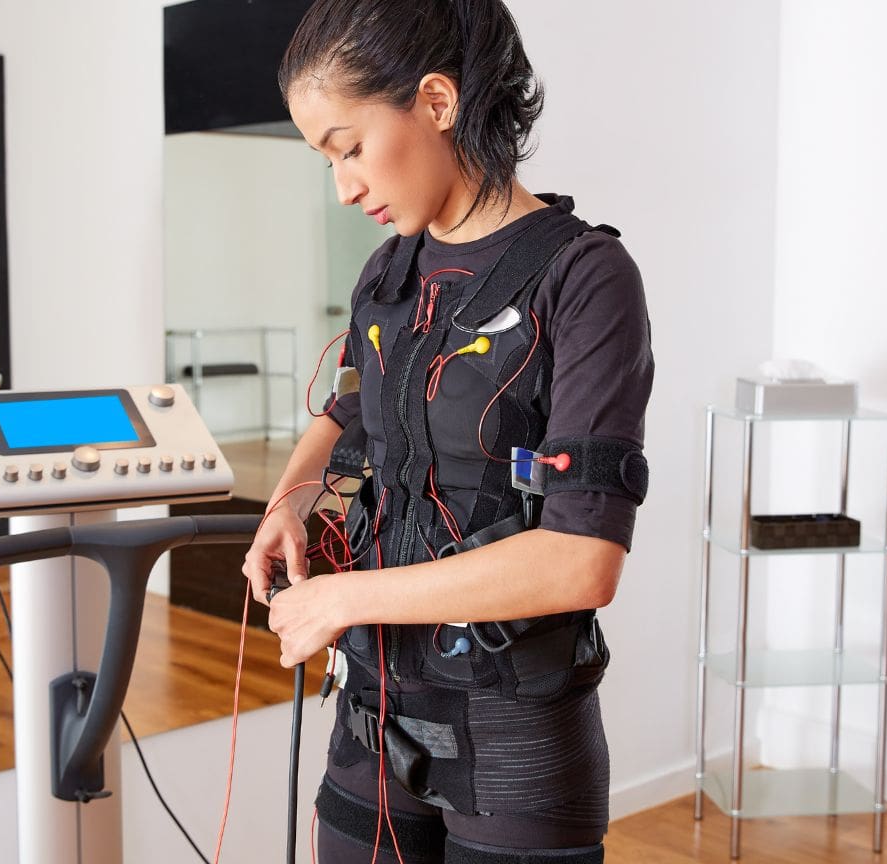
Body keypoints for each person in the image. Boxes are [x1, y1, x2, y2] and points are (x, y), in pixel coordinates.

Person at [241, 2, 654, 861]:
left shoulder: (585, 280)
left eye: (350, 148)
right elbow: (355, 409)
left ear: (436, 101)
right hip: (375, 714)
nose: (345, 186)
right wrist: (290, 500)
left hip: (517, 741)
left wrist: (342, 598)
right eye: (327, 160)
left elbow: (583, 560)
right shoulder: (388, 272)